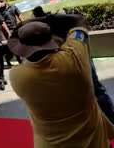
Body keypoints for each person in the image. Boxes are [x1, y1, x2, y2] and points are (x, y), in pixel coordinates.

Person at [8, 14, 114, 147]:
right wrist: (47, 20)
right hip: (94, 142)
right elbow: (78, 21)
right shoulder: (74, 56)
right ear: (52, 39)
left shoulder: (17, 76)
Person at [32, 5, 114, 125]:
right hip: (80, 65)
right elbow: (78, 19)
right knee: (98, 92)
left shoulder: (45, 36)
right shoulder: (67, 31)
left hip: (72, 72)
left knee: (93, 94)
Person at [0, 0, 22, 66]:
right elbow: (1, 22)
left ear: (5, 0)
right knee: (13, 45)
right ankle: (18, 60)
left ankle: (8, 57)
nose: (0, 3)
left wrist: (23, 23)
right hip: (8, 30)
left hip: (16, 28)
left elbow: (19, 15)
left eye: (1, 1)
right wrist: (8, 32)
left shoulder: (13, 7)